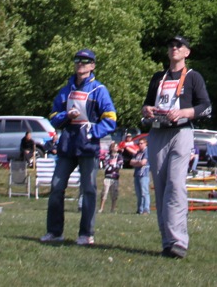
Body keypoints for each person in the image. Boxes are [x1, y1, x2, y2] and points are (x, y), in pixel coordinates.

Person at [143, 35, 211, 259]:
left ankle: (179, 241)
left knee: (175, 184)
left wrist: (183, 112)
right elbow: (147, 104)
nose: (174, 48)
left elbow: (206, 107)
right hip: (157, 132)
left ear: (186, 52)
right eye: (171, 45)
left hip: (181, 132)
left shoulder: (193, 77)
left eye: (178, 46)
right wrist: (147, 110)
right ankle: (167, 242)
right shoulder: (158, 77)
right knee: (161, 186)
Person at [41, 49, 118, 246]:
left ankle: (86, 234)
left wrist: (93, 132)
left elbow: (111, 119)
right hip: (67, 144)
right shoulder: (65, 90)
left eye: (85, 61)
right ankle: (54, 232)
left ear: (92, 66)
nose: (80, 64)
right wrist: (66, 116)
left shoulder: (99, 90)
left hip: (88, 147)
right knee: (57, 187)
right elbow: (53, 117)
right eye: (77, 60)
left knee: (89, 189)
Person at [127, 138, 151, 214]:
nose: (139, 145)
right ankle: (140, 209)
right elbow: (131, 162)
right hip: (137, 174)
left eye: (141, 143)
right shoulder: (138, 152)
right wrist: (138, 162)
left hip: (144, 174)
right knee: (138, 193)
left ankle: (146, 209)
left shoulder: (147, 151)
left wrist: (137, 163)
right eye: (139, 143)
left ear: (145, 143)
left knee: (144, 192)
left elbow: (143, 162)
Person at [99, 143, 121, 214]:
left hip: (115, 177)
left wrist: (112, 165)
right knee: (104, 192)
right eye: (115, 146)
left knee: (114, 194)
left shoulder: (119, 156)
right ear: (111, 148)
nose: (117, 148)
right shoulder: (107, 156)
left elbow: (119, 166)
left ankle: (112, 209)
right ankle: (101, 208)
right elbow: (106, 166)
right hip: (107, 177)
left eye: (117, 146)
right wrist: (112, 165)